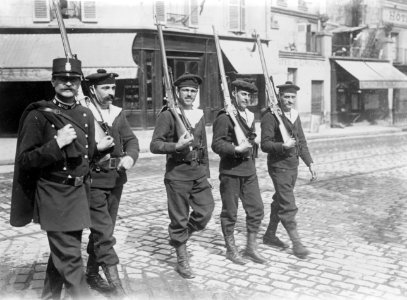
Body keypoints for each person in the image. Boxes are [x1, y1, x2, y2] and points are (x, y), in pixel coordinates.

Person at [10, 57, 114, 299]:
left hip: (78, 195)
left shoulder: (85, 114)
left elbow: (85, 157)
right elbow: (25, 160)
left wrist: (99, 149)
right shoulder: (38, 115)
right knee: (71, 260)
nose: (68, 83)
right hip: (53, 194)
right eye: (63, 79)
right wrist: (56, 144)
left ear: (79, 83)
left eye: (73, 80)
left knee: (64, 255)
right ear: (53, 81)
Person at [80, 69, 139, 296]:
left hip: (116, 181)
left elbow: (132, 140)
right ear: (93, 90)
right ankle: (117, 288)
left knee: (103, 230)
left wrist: (130, 157)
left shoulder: (117, 113)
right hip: (94, 181)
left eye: (113, 88)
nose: (111, 92)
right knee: (105, 234)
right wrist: (97, 148)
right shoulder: (85, 113)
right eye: (105, 88)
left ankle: (92, 274)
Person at [150, 72, 215, 279]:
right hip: (177, 174)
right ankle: (182, 258)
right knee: (178, 217)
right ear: (177, 92)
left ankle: (179, 237)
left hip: (197, 173)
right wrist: (176, 146)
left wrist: (207, 173)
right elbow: (154, 145)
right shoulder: (168, 114)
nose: (189, 94)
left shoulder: (199, 115)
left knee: (206, 210)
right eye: (185, 90)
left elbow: (203, 146)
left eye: (193, 91)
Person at [212, 79, 267, 265]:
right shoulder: (225, 116)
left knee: (257, 209)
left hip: (249, 170)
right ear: (234, 94)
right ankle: (230, 249)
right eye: (243, 94)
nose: (246, 98)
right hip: (231, 171)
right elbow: (217, 144)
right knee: (230, 212)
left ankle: (251, 247)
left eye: (249, 95)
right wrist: (236, 148)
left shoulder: (249, 116)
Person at [260, 81, 317, 259]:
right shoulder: (271, 116)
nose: (290, 100)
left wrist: (310, 163)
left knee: (280, 199)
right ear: (279, 97)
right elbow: (265, 144)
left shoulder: (294, 115)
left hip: (293, 166)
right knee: (288, 204)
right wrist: (283, 146)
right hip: (278, 166)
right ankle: (297, 243)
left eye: (293, 97)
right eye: (286, 96)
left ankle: (269, 235)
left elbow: (301, 141)